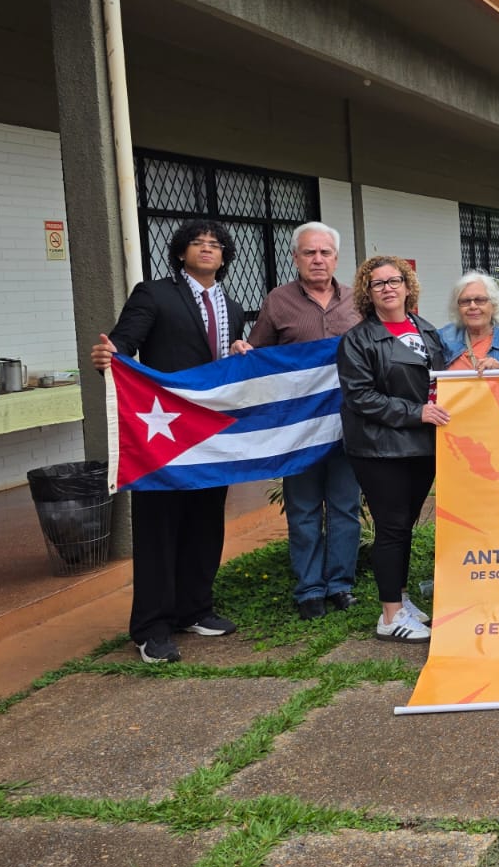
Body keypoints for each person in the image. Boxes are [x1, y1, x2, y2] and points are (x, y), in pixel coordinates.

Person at [90, 219, 251, 663]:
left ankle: (194, 608)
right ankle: (151, 627)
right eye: (197, 243)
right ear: (181, 252)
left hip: (212, 434)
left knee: (205, 521)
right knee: (159, 527)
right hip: (161, 435)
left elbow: (222, 365)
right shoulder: (154, 293)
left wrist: (240, 354)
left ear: (224, 256)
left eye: (215, 245)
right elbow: (122, 344)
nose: (206, 249)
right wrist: (109, 357)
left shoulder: (233, 306)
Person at [246, 221, 364, 620]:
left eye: (325, 252)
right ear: (295, 257)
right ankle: (309, 589)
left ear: (336, 258)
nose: (318, 259)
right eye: (309, 253)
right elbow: (259, 357)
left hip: (348, 424)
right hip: (299, 431)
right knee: (304, 509)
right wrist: (244, 351)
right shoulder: (278, 301)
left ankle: (340, 585)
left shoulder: (357, 302)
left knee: (346, 507)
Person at [337, 256, 449, 643]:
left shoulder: (427, 329)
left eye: (394, 280)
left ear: (408, 286)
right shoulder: (358, 339)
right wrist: (416, 411)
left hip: (421, 445)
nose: (387, 288)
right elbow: (360, 396)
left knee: (405, 527)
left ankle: (400, 599)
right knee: (391, 527)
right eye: (377, 283)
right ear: (367, 293)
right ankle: (389, 616)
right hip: (381, 448)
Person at [439, 270, 499, 372]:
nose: (472, 306)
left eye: (480, 300)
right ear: (457, 307)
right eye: (465, 301)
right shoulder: (442, 339)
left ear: (493, 305)